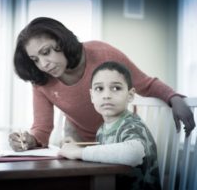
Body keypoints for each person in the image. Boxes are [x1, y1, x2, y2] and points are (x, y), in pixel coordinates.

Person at [9, 17, 195, 151]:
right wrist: (29, 140)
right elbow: (42, 129)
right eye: (35, 59)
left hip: (119, 140)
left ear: (62, 41)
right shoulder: (41, 80)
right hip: (80, 144)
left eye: (46, 52)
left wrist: (174, 98)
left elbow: (145, 84)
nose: (43, 64)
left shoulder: (102, 54)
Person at [58, 61, 162, 190]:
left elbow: (134, 153)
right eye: (99, 89)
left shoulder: (132, 125)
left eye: (116, 88)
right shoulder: (102, 130)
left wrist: (78, 152)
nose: (106, 96)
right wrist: (77, 146)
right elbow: (107, 154)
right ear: (92, 96)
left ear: (130, 95)